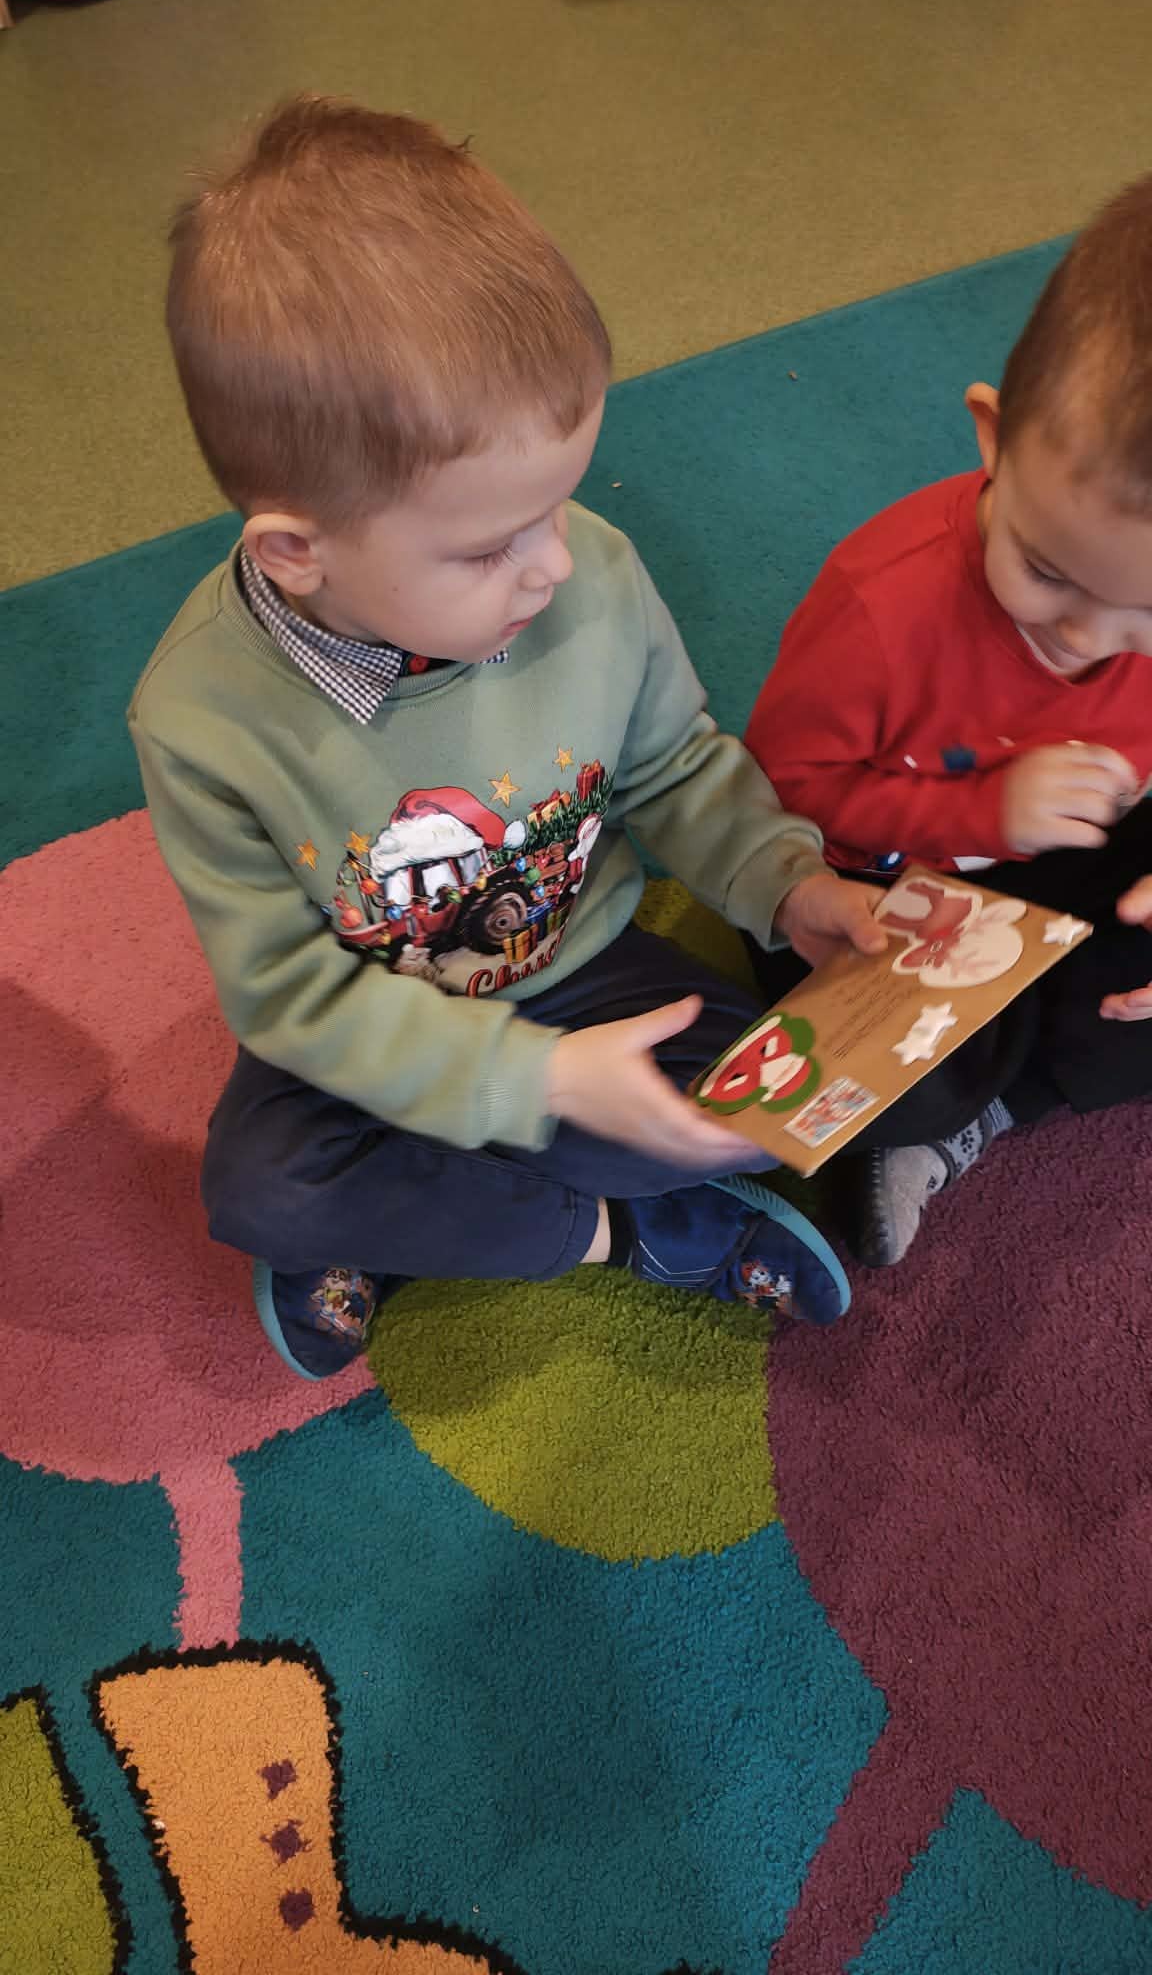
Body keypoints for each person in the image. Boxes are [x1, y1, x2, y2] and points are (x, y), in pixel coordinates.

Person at [130, 95, 884, 1379]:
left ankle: (415, 1218)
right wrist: (536, 1085)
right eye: (491, 545)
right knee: (263, 1188)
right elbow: (292, 995)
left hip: (583, 969)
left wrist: (786, 882)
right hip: (372, 1032)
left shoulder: (591, 570)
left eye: (561, 503)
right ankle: (631, 1236)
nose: (553, 565)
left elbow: (675, 764)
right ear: (298, 551)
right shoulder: (201, 720)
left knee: (768, 1098)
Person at [744, 172, 1152, 1266]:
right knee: (866, 1071)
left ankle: (997, 1101)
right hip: (878, 879)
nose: (1086, 638)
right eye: (1047, 570)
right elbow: (780, 797)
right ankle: (959, 1103)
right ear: (993, 438)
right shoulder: (882, 609)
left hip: (1068, 862)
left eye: (1147, 616)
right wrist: (987, 811)